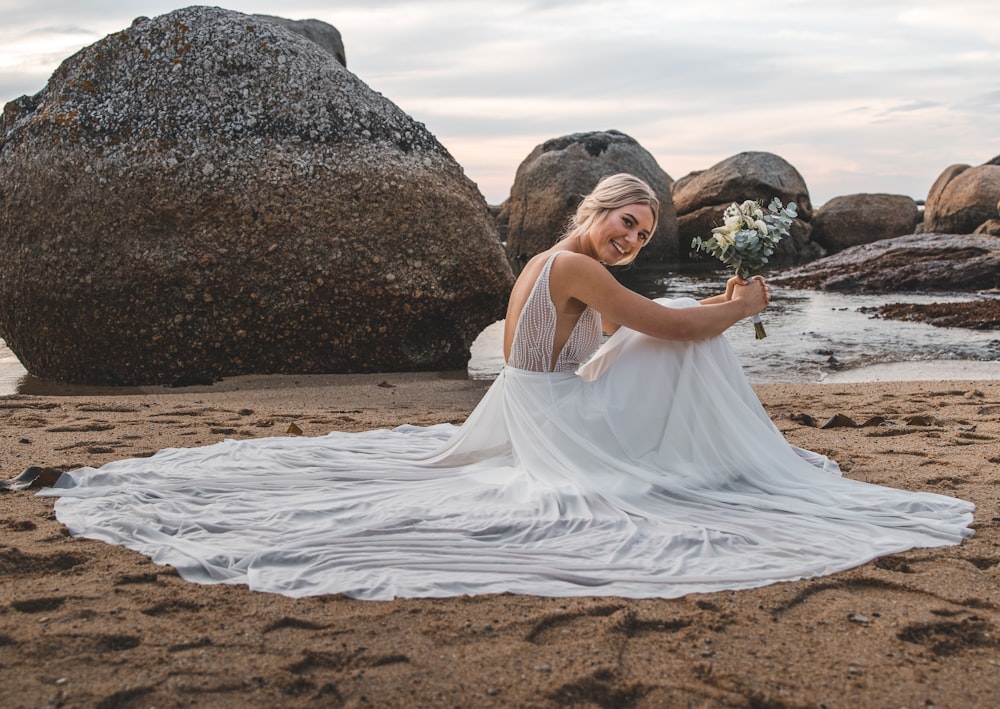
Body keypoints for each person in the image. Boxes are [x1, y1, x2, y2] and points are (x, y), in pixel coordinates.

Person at [41, 174, 974, 600]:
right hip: (555, 425)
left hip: (540, 408)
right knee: (702, 343)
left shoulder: (555, 262)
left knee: (697, 338)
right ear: (592, 214)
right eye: (623, 223)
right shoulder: (576, 263)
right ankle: (728, 459)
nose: (631, 238)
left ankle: (718, 452)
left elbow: (615, 337)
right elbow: (668, 329)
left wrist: (713, 310)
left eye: (644, 232)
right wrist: (739, 308)